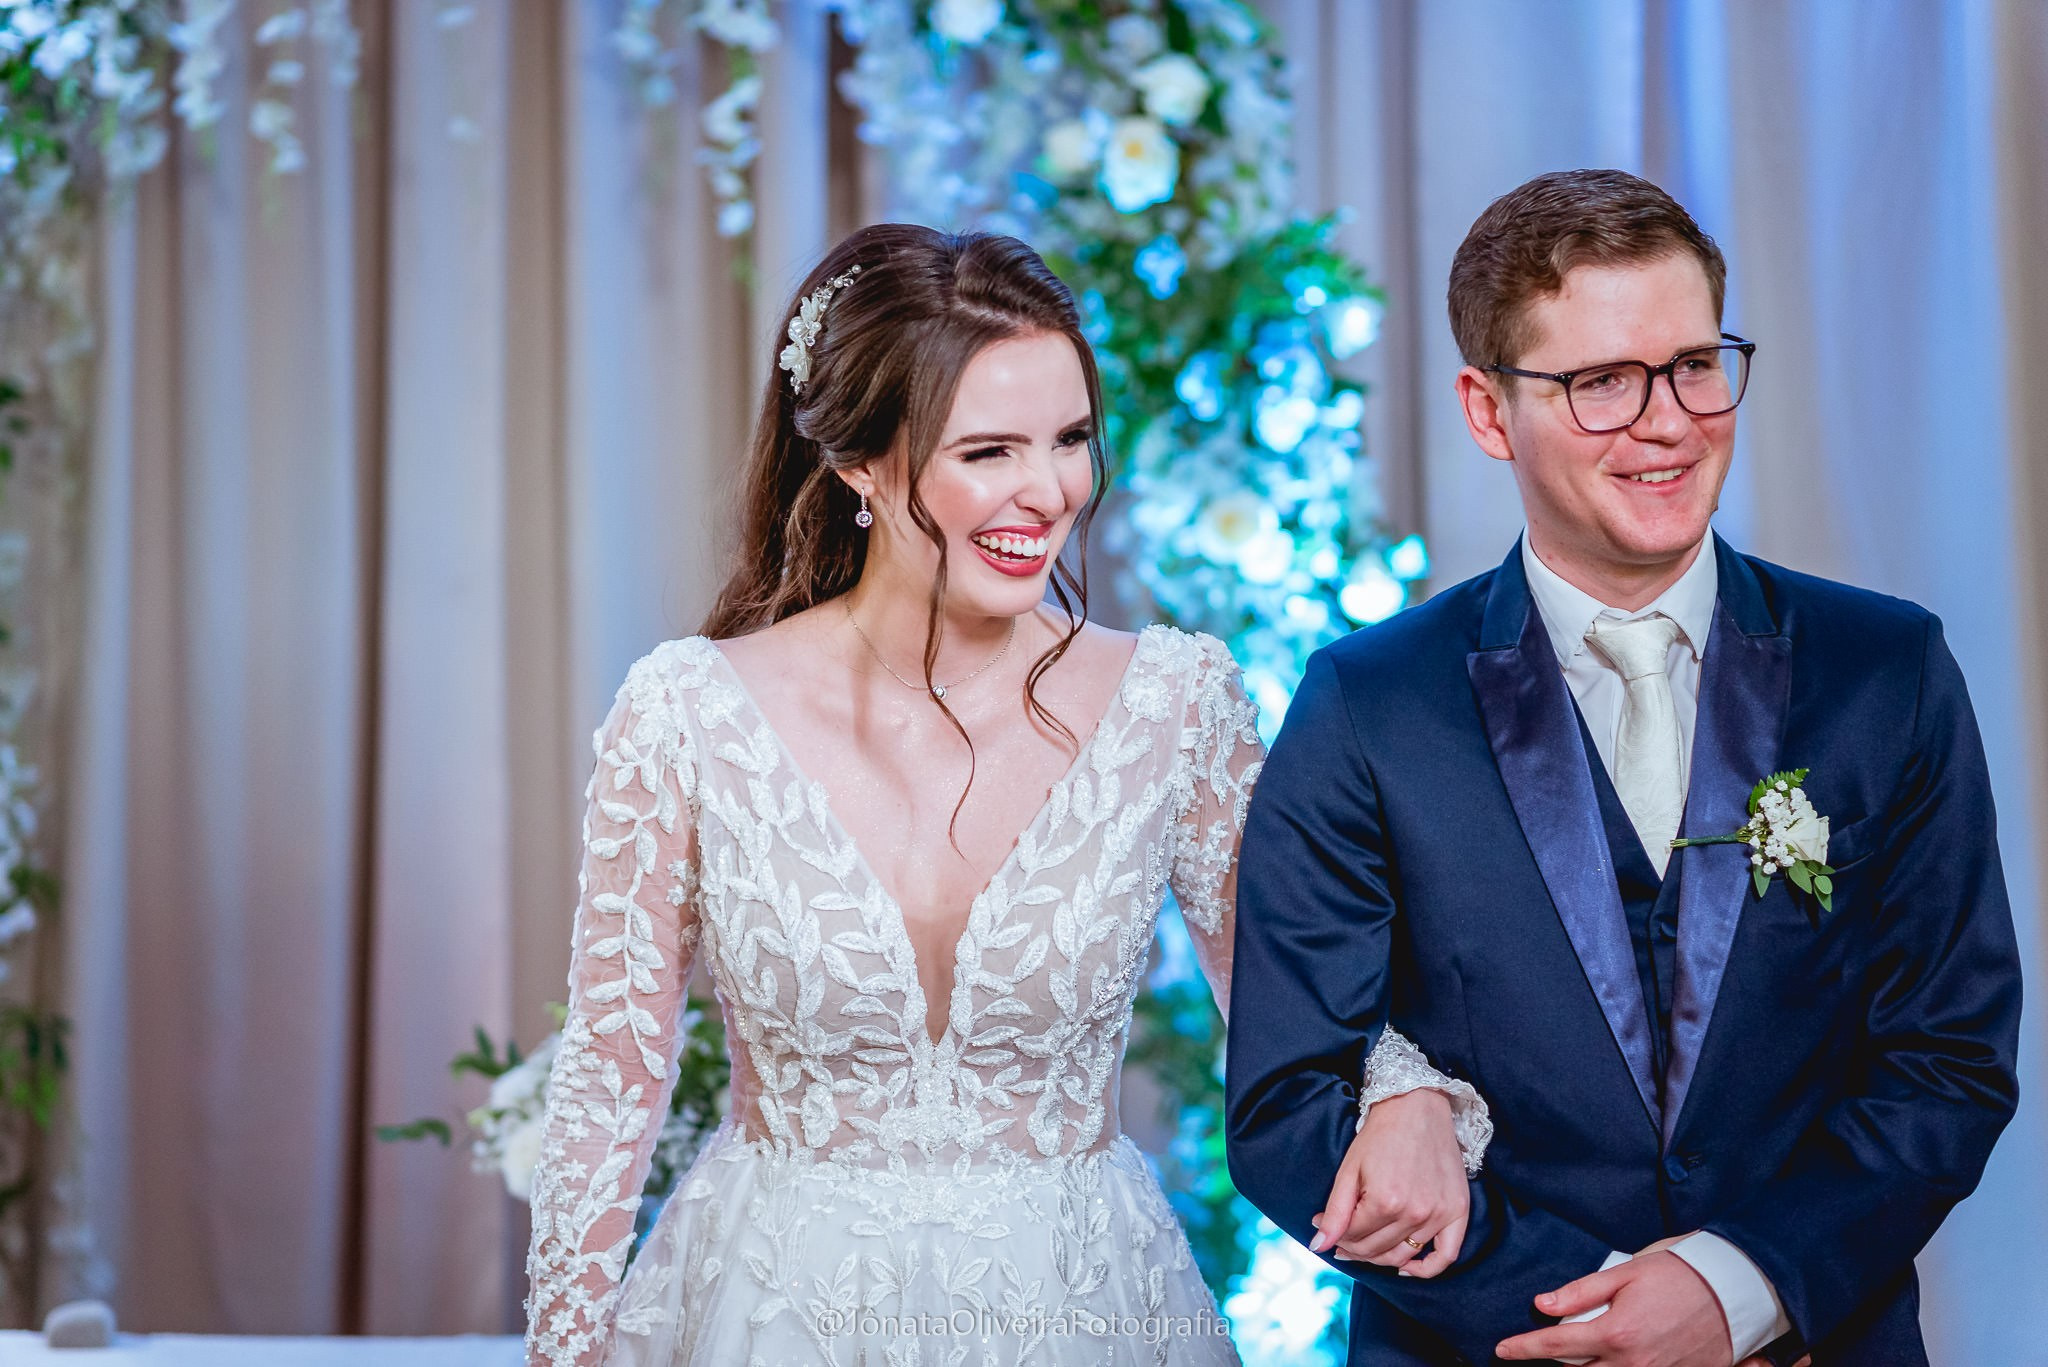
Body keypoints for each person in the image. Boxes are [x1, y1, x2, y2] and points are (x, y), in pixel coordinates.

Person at [521, 224, 1490, 1367]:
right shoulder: (685, 710)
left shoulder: (1174, 700)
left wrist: (1410, 1097)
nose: (1049, 490)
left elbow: (1294, 1000)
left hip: (1079, 1304)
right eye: (988, 450)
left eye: (1071, 438)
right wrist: (566, 1348)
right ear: (859, 464)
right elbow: (606, 1084)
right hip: (764, 1304)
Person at [1225, 168, 2023, 1367]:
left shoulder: (1885, 670)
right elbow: (1289, 1104)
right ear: (1487, 411)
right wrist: (1595, 1311)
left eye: (1694, 364)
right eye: (1599, 382)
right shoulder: (1364, 704)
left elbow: (1948, 1056)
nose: (1665, 420)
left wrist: (1737, 1287)